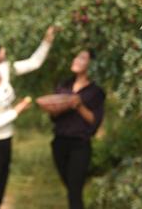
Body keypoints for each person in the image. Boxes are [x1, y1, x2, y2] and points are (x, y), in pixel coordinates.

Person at [0, 26, 57, 209]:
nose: (4, 51)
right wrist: (17, 110)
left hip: (4, 143)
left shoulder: (3, 71)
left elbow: (34, 63)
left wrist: (47, 40)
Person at [46, 49, 105, 209]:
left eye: (82, 58)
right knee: (70, 186)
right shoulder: (63, 85)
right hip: (59, 143)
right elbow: (53, 117)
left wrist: (79, 105)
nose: (76, 60)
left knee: (75, 191)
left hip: (79, 145)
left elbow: (95, 121)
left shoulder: (95, 92)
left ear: (91, 65)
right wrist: (55, 108)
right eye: (76, 56)